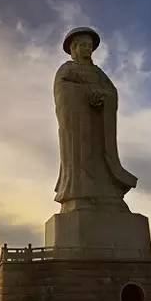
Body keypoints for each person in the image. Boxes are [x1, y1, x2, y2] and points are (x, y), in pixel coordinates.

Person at [53, 26, 137, 213]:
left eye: (89, 46)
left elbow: (111, 92)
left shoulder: (98, 73)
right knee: (80, 155)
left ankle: (107, 196)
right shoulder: (66, 69)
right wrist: (87, 93)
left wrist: (102, 96)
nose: (87, 49)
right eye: (83, 45)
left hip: (98, 124)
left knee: (100, 157)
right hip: (77, 127)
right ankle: (79, 196)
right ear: (74, 48)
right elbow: (62, 92)